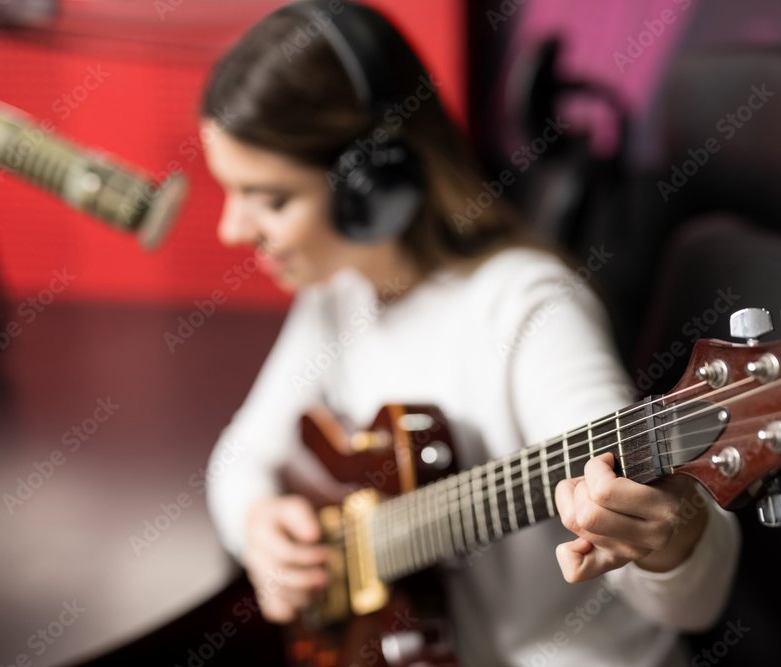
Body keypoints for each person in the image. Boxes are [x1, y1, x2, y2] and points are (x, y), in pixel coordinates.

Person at [199, 2, 741, 665]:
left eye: (272, 199)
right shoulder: (337, 291)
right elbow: (240, 455)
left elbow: (690, 600)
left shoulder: (529, 311)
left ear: (373, 184)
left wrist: (673, 536)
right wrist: (259, 524)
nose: (232, 230)